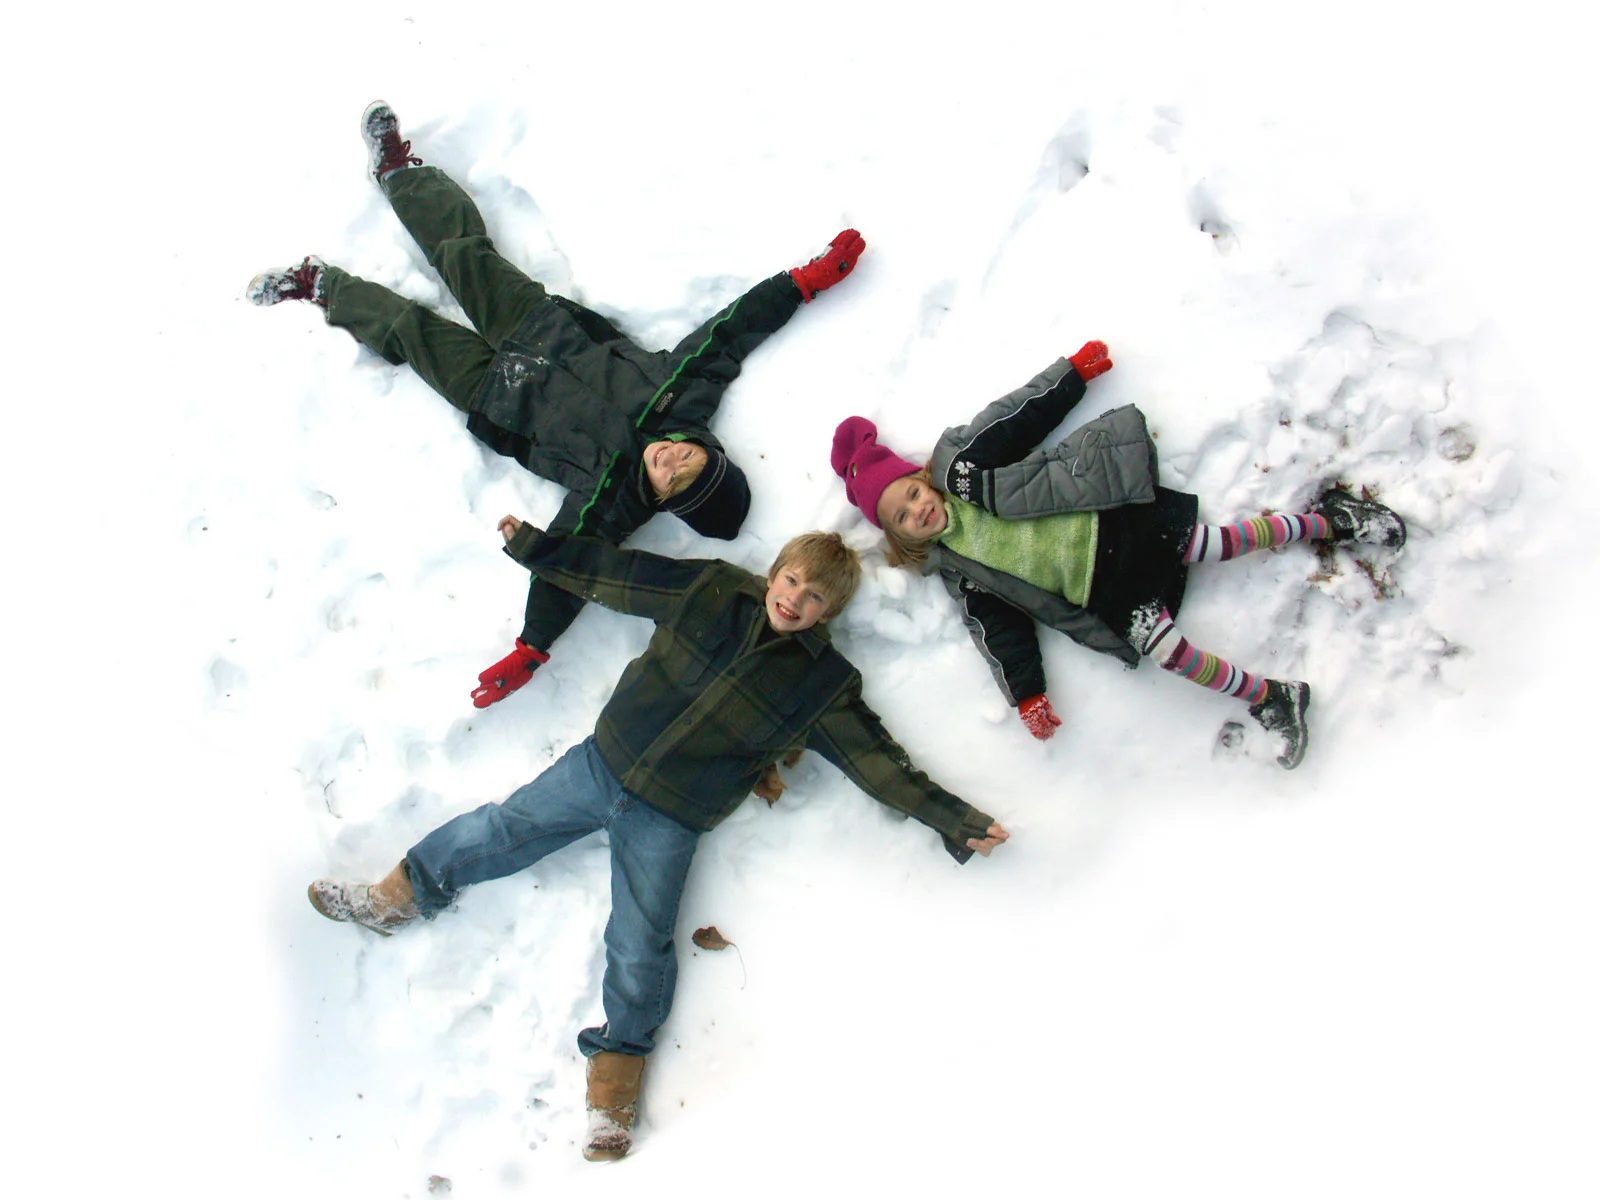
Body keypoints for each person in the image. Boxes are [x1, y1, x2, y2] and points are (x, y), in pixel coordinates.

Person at [307, 529, 1009, 1162]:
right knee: (502, 828)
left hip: (671, 817)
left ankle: (614, 1083)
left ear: (829, 611)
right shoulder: (711, 590)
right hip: (601, 762)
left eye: (815, 596)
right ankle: (395, 898)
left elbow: (878, 763)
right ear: (775, 572)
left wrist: (954, 819)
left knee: (640, 940)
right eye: (792, 580)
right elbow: (621, 573)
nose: (795, 599)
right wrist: (540, 550)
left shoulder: (821, 685)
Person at [249, 102, 867, 708]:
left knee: (411, 331)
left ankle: (322, 285)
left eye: (674, 479)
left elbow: (569, 570)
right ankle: (398, 173)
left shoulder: (612, 500)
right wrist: (804, 281)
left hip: (494, 393)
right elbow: (730, 332)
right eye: (692, 458)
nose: (672, 458)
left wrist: (531, 648)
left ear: (665, 499)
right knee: (466, 256)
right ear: (706, 448)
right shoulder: (677, 393)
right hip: (539, 324)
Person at [829, 341, 1407, 769]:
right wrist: (1027, 693)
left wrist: (1070, 376)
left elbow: (1016, 417)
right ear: (904, 537)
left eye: (910, 495)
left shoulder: (962, 464)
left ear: (919, 478)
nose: (916, 511)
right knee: (1171, 654)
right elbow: (999, 629)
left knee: (1221, 542)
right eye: (901, 519)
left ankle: (1331, 519)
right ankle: (1273, 697)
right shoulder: (958, 569)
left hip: (1116, 528)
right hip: (1105, 591)